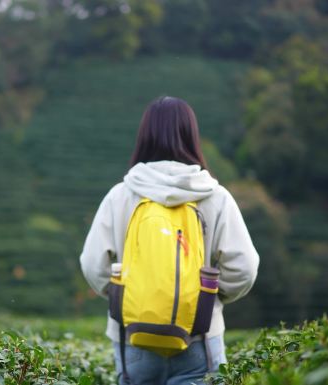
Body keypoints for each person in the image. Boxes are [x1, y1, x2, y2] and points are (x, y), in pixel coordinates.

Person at [79, 96, 260, 385]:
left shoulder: (121, 195)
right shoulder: (214, 197)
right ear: (191, 136)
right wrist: (205, 300)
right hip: (199, 338)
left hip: (133, 338)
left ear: (144, 136)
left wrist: (129, 299)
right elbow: (245, 269)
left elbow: (92, 264)